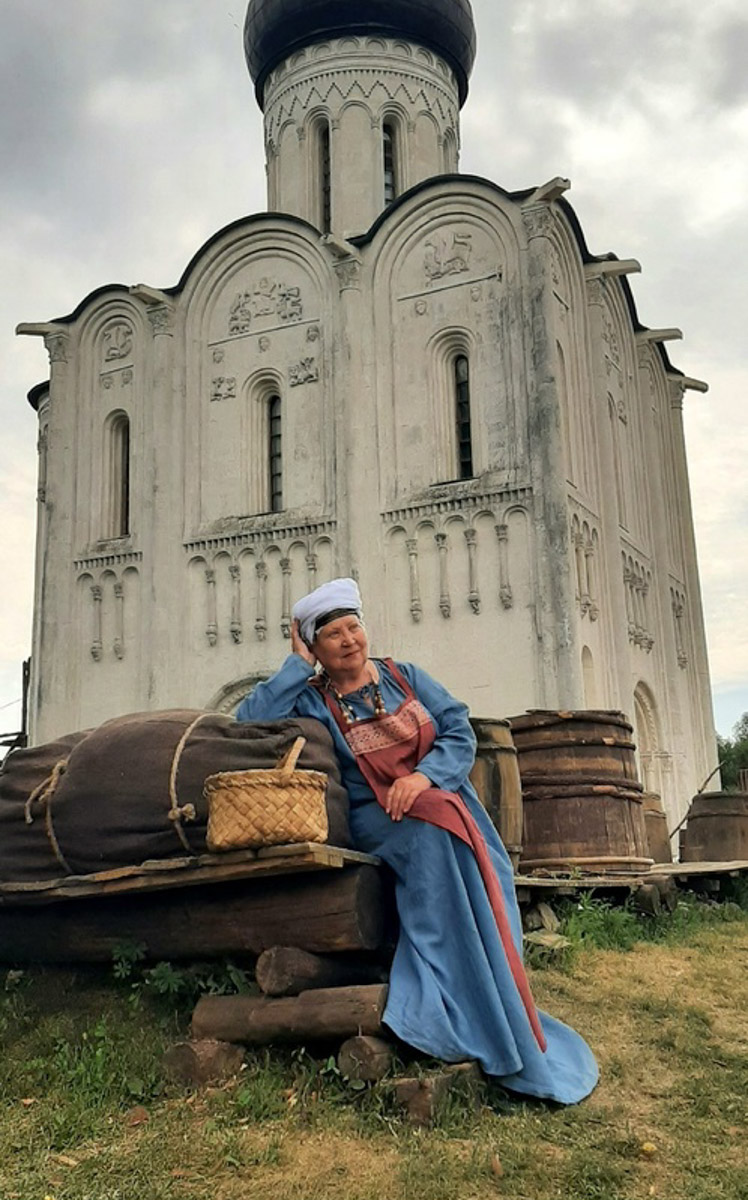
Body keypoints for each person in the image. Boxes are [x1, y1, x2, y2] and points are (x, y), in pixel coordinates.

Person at [236, 578, 598, 1104]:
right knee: (430, 838)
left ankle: (494, 992)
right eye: (332, 635)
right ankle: (453, 998)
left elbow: (458, 728)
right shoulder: (315, 701)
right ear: (315, 648)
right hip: (376, 816)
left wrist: (423, 777)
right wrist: (294, 666)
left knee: (465, 849)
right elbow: (248, 721)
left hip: (442, 800)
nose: (348, 640)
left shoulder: (404, 677)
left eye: (353, 627)